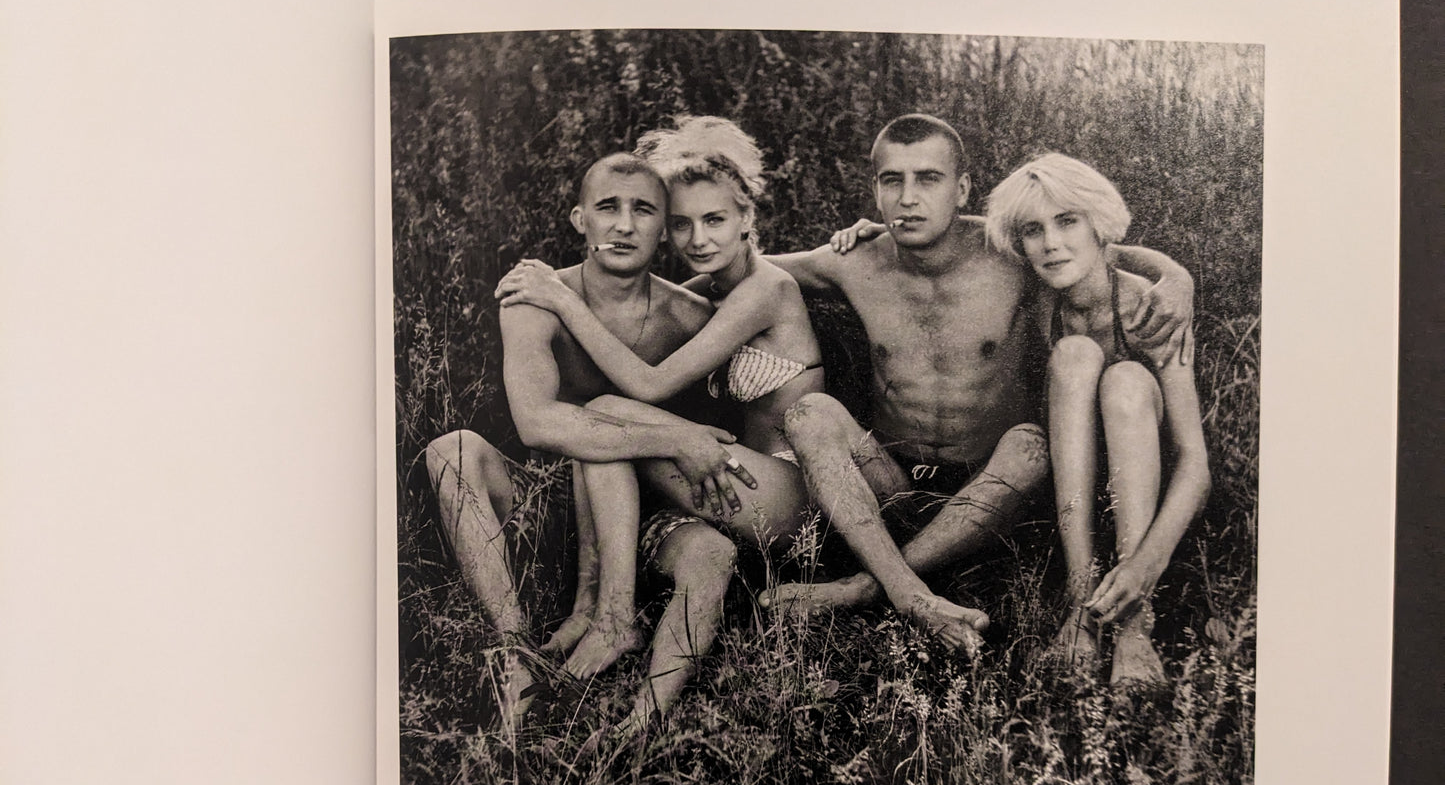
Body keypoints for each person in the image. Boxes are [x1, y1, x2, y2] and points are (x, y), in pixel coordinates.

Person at [761, 114, 1194, 654]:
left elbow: (1089, 251)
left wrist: (1174, 275)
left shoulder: (1005, 253)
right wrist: (639, 293)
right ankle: (906, 591)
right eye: (892, 181)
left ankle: (865, 587)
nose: (908, 198)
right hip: (893, 475)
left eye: (929, 179)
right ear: (874, 189)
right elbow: (747, 270)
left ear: (962, 188)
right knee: (811, 413)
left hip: (992, 479)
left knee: (1029, 445)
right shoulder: (853, 262)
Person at [496, 116, 822, 723]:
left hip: (794, 498)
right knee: (606, 420)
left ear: (747, 217)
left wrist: (564, 298)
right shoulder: (710, 289)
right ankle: (599, 612)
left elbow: (647, 384)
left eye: (715, 220)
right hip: (747, 488)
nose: (698, 238)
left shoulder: (764, 289)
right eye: (682, 223)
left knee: (607, 413)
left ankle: (607, 612)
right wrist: (679, 437)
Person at [427, 152, 755, 725]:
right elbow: (537, 422)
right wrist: (673, 437)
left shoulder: (693, 315)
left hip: (642, 520)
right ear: (581, 220)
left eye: (644, 211)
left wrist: (864, 234)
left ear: (664, 227)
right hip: (549, 502)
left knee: (709, 551)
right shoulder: (535, 298)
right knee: (451, 451)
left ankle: (637, 708)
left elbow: (767, 278)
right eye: (608, 208)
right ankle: (516, 654)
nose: (625, 225)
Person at [984, 153, 1210, 686]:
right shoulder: (1040, 294)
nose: (1051, 243)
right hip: (1071, 484)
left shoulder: (1150, 309)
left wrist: (1145, 565)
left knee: (1127, 380)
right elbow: (951, 230)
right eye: (1033, 231)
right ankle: (1081, 599)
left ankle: (1135, 619)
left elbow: (1196, 464)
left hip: (1147, 497)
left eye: (1067, 222)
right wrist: (876, 227)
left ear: (1098, 226)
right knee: (1076, 355)